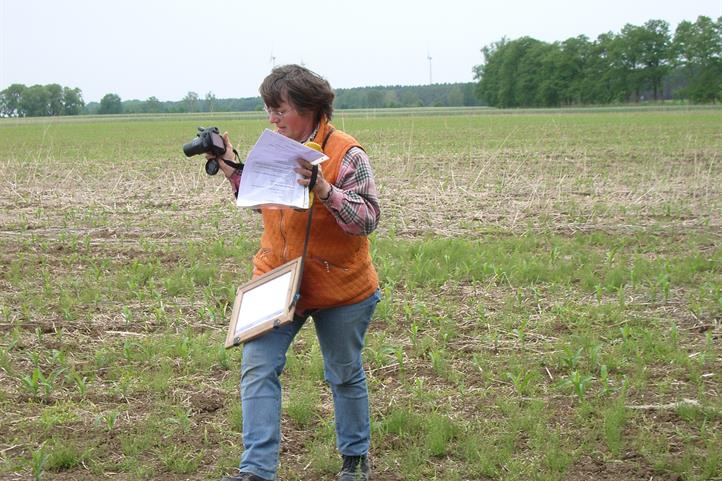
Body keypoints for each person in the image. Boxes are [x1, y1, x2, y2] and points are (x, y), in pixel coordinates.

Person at [214, 65, 381, 481]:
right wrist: (233, 167)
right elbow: (262, 201)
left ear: (308, 108)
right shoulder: (274, 146)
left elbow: (367, 219)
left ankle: (355, 461)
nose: (271, 118)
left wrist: (324, 190)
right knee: (257, 365)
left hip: (340, 285)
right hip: (277, 277)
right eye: (268, 109)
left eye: (279, 109)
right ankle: (256, 471)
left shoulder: (347, 154)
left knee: (343, 373)